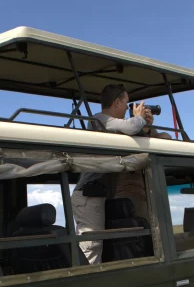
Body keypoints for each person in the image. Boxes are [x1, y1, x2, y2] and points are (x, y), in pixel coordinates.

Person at [71, 84, 167, 264]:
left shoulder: (113, 127)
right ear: (116, 102)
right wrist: (138, 118)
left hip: (94, 195)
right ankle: (87, 285)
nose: (128, 108)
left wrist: (144, 124)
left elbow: (133, 132)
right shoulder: (101, 120)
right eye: (127, 103)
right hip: (88, 195)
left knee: (98, 245)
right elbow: (130, 128)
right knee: (91, 247)